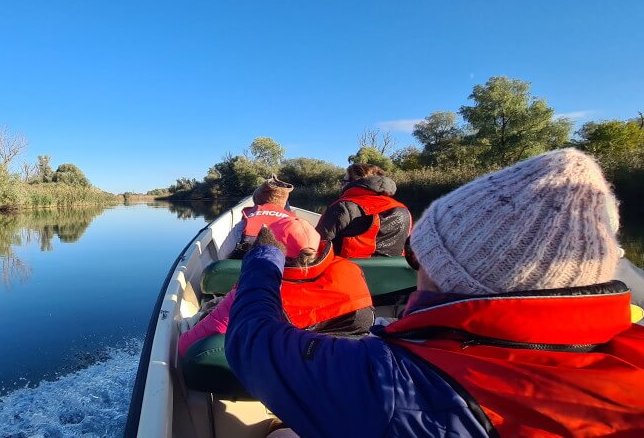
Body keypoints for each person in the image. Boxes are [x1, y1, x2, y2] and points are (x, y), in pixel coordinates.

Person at [226, 149, 644, 437]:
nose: (418, 267)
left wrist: (265, 258)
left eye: (422, 257)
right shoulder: (631, 353)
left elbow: (251, 340)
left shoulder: (392, 385)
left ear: (452, 277)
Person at [179, 215, 372, 357]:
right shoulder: (351, 270)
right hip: (341, 366)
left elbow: (185, 346)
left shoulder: (254, 292)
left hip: (276, 375)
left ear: (270, 249)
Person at [316, 163, 411, 258]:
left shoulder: (343, 207)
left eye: (343, 181)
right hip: (394, 268)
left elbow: (316, 245)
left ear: (352, 182)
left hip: (347, 267)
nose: (341, 185)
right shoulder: (403, 210)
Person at [229, 175, 296, 258]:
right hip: (283, 261)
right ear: (283, 202)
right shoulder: (294, 223)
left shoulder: (241, 225)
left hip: (250, 260)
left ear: (257, 201)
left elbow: (226, 254)